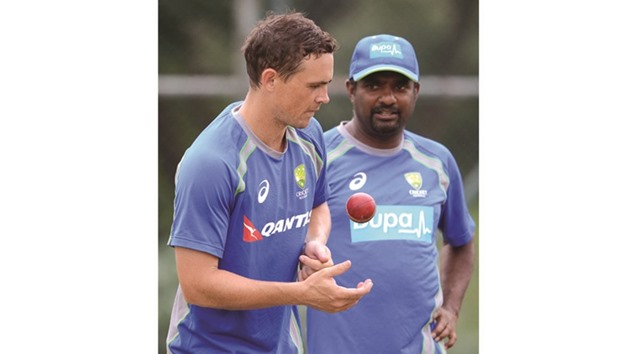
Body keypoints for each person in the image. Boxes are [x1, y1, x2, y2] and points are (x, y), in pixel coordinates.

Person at [165, 12, 373, 354]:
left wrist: (315, 244)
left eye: (326, 84)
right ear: (271, 79)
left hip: (281, 346)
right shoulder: (211, 162)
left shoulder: (309, 135)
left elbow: (318, 205)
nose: (324, 98)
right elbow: (198, 285)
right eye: (314, 86)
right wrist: (301, 294)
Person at [304, 34, 476, 353]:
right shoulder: (317, 158)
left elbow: (462, 240)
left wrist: (450, 308)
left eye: (399, 86)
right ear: (351, 89)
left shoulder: (436, 162)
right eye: (374, 86)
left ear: (416, 92)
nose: (388, 98)